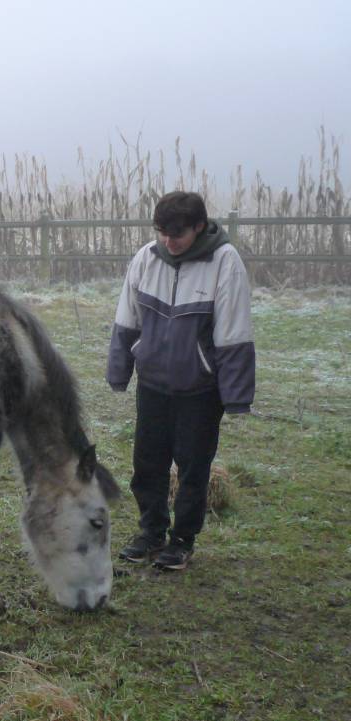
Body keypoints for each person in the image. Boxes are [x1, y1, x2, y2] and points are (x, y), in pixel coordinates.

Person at [107, 191, 255, 570]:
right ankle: (152, 532)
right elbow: (128, 317)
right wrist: (120, 369)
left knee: (193, 467)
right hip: (153, 384)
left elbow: (234, 332)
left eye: (177, 234)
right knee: (147, 465)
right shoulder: (146, 258)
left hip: (200, 391)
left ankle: (182, 540)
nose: (168, 242)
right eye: (161, 233)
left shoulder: (225, 262)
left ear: (199, 227)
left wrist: (236, 396)